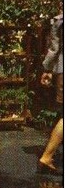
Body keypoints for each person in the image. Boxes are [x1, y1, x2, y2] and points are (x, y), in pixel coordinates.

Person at [38, 11, 63, 173]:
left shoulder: (60, 20)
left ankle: (48, 155)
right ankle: (47, 155)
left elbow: (54, 47)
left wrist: (47, 69)